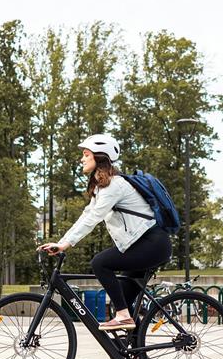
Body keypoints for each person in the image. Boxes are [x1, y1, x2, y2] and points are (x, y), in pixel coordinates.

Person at [38, 134, 172, 339]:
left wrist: (65, 244)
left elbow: (93, 219)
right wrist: (62, 242)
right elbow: (86, 215)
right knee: (122, 303)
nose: (82, 159)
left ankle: (124, 317)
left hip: (152, 244)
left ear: (99, 157)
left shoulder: (114, 186)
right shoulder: (103, 188)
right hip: (141, 245)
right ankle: (136, 354)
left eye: (86, 154)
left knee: (100, 263)